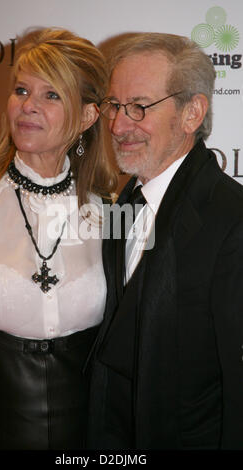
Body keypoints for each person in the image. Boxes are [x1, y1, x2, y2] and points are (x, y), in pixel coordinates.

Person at [0, 27, 117, 450]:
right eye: (22, 90)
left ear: (87, 116)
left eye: (51, 95)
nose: (28, 107)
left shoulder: (114, 213)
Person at [87, 32, 243, 450]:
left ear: (192, 113)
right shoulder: (124, 200)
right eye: (115, 106)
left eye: (139, 107)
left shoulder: (233, 219)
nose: (119, 126)